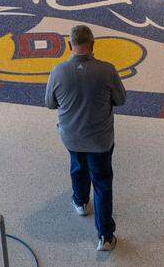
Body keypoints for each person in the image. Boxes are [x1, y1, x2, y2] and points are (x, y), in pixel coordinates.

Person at [44, 25, 127, 251]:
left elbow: (50, 103)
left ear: (70, 46)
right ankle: (106, 237)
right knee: (102, 183)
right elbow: (121, 100)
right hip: (100, 140)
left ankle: (80, 202)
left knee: (77, 166)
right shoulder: (107, 70)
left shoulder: (58, 71)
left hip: (70, 136)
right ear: (92, 45)